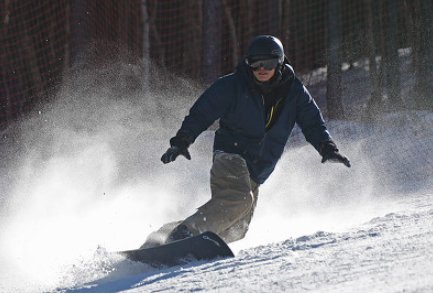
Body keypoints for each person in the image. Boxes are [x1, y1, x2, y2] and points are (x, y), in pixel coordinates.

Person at [141, 35, 350, 248]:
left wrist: (327, 148)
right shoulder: (232, 85)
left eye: (267, 63)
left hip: (258, 168)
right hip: (230, 154)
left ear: (279, 62)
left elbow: (313, 123)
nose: (261, 69)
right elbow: (200, 114)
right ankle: (182, 237)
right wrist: (182, 141)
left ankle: (166, 237)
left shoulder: (294, 92)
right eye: (255, 63)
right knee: (238, 199)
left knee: (236, 228)